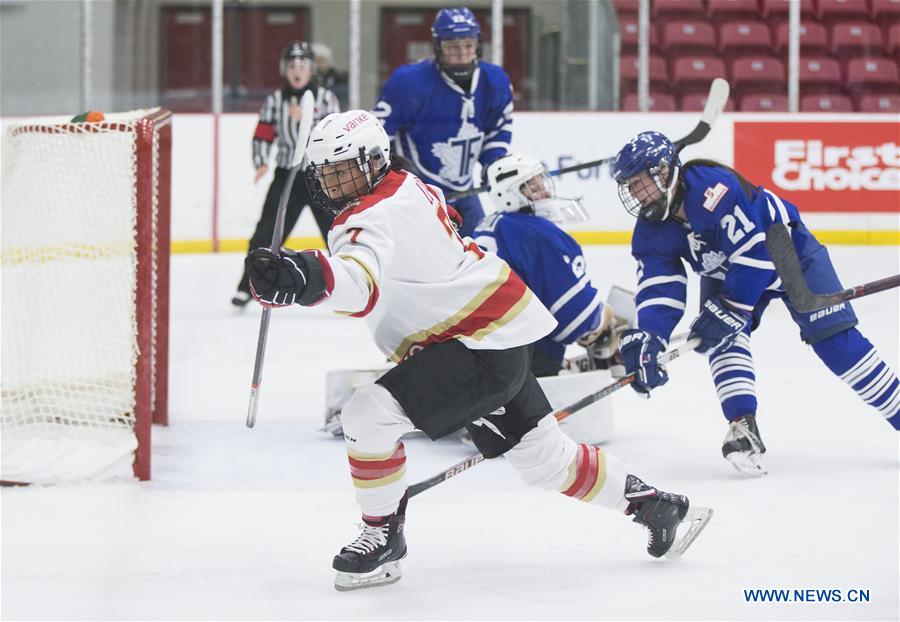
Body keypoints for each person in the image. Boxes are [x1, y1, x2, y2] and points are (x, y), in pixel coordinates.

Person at [243, 111, 711, 591]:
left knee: (366, 415)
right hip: (499, 336)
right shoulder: (407, 187)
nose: (333, 182)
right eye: (326, 172)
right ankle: (657, 506)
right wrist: (304, 276)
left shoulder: (370, 214)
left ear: (375, 160)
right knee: (546, 460)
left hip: (472, 344)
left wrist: (303, 277)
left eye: (343, 169)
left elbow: (359, 284)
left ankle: (382, 537)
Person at [610, 131, 900, 476]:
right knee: (719, 339)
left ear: (663, 172)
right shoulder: (651, 229)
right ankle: (742, 426)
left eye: (639, 183)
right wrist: (651, 335)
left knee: (836, 343)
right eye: (630, 186)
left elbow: (758, 250)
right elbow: (660, 289)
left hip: (788, 252)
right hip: (727, 269)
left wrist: (733, 306)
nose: (635, 194)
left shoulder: (711, 189)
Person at [474, 154, 632, 378]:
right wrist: (604, 324)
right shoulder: (535, 233)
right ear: (508, 195)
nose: (545, 193)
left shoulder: (489, 224)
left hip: (478, 348)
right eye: (534, 189)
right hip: (518, 358)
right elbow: (574, 316)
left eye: (542, 184)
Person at [372, 6, 513, 237]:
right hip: (418, 192)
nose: (462, 53)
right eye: (452, 46)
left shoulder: (494, 80)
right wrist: (393, 173)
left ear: (478, 45)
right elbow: (378, 133)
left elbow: (497, 129)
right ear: (438, 47)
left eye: (468, 45)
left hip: (464, 191)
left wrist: (493, 164)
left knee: (479, 248)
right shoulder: (409, 82)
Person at [231, 41, 341, 308]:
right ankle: (249, 285)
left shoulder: (326, 99)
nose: (296, 70)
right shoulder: (275, 100)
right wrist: (261, 162)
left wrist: (306, 121)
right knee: (266, 233)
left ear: (312, 69)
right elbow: (264, 131)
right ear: (284, 69)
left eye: (302, 65)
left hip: (319, 177)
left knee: (336, 231)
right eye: (292, 65)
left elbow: (334, 133)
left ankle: (348, 283)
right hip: (286, 177)